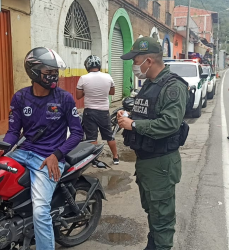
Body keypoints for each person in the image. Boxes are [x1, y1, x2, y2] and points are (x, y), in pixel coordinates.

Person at [0, 47, 83, 250]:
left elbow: (77, 133)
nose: (53, 76)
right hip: (22, 153)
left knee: (40, 211)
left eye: (55, 72)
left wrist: (56, 156)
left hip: (48, 158)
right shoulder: (20, 98)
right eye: (48, 72)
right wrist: (3, 149)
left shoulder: (64, 98)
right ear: (33, 72)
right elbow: (14, 132)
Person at [118, 37, 189, 250]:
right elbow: (147, 113)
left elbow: (170, 123)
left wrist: (134, 125)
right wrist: (129, 115)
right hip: (147, 161)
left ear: (148, 61)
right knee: (153, 211)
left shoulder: (173, 86)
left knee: (163, 218)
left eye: (135, 60)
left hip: (161, 163)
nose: (133, 64)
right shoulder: (149, 84)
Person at [76, 55, 119, 165]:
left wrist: (88, 91)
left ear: (87, 66)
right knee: (109, 136)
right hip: (103, 111)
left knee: (92, 137)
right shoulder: (108, 77)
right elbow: (112, 92)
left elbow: (78, 96)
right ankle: (115, 157)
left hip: (90, 112)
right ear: (99, 65)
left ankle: (93, 160)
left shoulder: (83, 78)